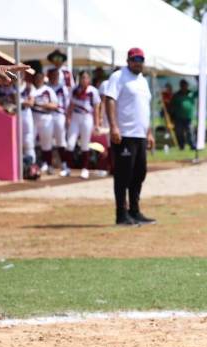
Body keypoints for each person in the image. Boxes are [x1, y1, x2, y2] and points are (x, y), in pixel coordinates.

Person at [105, 47, 156, 226]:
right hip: (124, 134)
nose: (138, 63)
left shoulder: (143, 81)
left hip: (140, 135)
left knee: (139, 173)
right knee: (123, 175)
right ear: (128, 60)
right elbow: (110, 99)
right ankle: (121, 214)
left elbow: (145, 109)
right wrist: (113, 127)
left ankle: (135, 210)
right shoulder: (118, 76)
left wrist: (149, 133)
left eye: (141, 60)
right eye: (134, 59)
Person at [65, 70, 101, 178]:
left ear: (89, 79)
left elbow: (96, 108)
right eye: (82, 78)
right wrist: (68, 118)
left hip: (87, 118)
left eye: (86, 78)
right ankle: (67, 168)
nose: (84, 80)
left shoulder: (93, 91)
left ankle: (85, 169)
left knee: (85, 144)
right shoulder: (74, 90)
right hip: (76, 118)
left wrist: (97, 124)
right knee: (70, 143)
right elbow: (71, 105)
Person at [30, 71, 59, 174]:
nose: (38, 80)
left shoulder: (48, 90)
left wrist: (40, 105)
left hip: (46, 117)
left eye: (40, 78)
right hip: (32, 117)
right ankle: (31, 165)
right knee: (30, 142)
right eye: (36, 78)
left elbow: (55, 105)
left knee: (46, 143)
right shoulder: (31, 90)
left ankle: (48, 165)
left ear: (43, 79)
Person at [47, 67, 70, 176]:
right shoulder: (47, 87)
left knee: (61, 141)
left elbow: (67, 104)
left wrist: (67, 117)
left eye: (56, 75)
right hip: (48, 115)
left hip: (60, 115)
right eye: (53, 75)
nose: (55, 77)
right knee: (48, 141)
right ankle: (49, 165)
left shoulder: (63, 88)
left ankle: (65, 165)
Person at [170, 79, 196, 150]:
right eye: (182, 85)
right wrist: (172, 116)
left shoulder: (191, 94)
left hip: (188, 117)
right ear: (180, 86)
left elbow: (199, 92)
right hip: (178, 117)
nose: (184, 87)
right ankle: (181, 145)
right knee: (179, 132)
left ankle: (192, 145)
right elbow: (172, 105)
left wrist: (198, 80)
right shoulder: (176, 95)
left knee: (190, 131)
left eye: (185, 85)